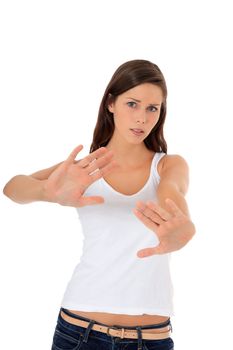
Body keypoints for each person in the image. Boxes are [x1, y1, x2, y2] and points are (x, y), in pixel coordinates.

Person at [3, 59, 196, 350]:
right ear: (111, 104)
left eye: (152, 108)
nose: (142, 118)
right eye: (132, 104)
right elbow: (12, 188)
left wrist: (181, 227)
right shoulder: (85, 170)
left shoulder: (168, 166)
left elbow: (173, 195)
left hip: (151, 338)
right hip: (80, 332)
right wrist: (47, 192)